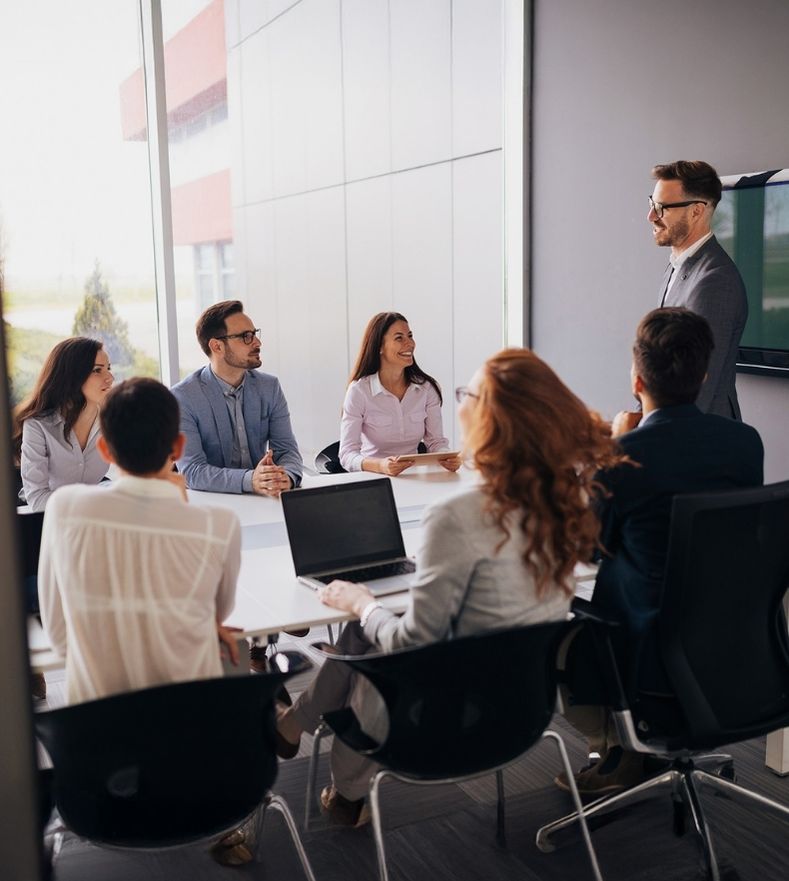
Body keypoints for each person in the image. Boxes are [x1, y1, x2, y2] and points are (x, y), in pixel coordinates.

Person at [277, 348, 625, 826]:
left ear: (492, 417)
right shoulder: (566, 502)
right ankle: (297, 726)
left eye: (467, 394)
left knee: (363, 637)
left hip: (430, 719)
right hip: (521, 714)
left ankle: (345, 790)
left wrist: (361, 601)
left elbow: (410, 641)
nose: (459, 402)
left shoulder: (458, 515)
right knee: (364, 630)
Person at [561, 308, 764, 795]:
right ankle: (627, 750)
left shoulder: (624, 457)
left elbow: (586, 549)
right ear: (704, 375)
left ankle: (624, 747)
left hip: (646, 643)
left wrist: (615, 444)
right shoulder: (746, 442)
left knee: (562, 631)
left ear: (637, 380)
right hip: (731, 639)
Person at [38, 377, 242, 706]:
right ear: (178, 447)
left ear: (104, 449)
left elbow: (60, 640)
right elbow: (216, 613)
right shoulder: (219, 524)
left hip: (97, 733)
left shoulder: (64, 508)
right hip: (189, 724)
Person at [647, 159, 747, 420]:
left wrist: (651, 438)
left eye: (661, 208)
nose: (651, 216)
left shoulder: (716, 280)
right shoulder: (676, 266)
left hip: (702, 440)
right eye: (651, 204)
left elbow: (699, 386)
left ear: (696, 211)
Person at [172, 299, 303, 495]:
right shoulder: (182, 397)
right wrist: (250, 480)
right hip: (213, 503)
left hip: (264, 500)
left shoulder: (269, 387)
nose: (257, 342)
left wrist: (286, 478)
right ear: (217, 346)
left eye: (254, 334)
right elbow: (192, 471)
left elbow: (287, 450)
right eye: (245, 337)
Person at [338, 312, 460, 475]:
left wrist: (447, 457)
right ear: (380, 347)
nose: (410, 344)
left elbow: (436, 442)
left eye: (410, 336)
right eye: (399, 338)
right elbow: (347, 454)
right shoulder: (359, 391)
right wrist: (380, 465)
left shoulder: (427, 389)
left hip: (415, 477)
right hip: (374, 479)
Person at [13, 337, 113, 512]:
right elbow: (37, 498)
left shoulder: (113, 418)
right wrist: (93, 504)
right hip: (42, 520)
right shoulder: (38, 425)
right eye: (97, 370)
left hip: (92, 516)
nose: (110, 378)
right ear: (73, 376)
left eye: (109, 368)